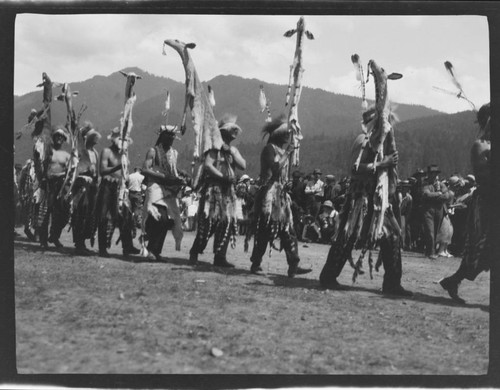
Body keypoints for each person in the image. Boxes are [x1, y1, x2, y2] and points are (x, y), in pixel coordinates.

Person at [319, 108, 412, 296]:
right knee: (348, 236)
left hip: (378, 200)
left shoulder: (381, 142)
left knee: (392, 235)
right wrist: (382, 163)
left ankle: (393, 283)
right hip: (360, 198)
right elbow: (354, 169)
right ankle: (328, 276)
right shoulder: (363, 140)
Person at [439, 103, 492, 304]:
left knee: (486, 251)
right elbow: (484, 177)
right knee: (480, 250)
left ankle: (453, 280)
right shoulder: (480, 145)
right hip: (486, 204)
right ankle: (454, 280)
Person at [249, 114, 312, 277]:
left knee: (288, 229)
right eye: (286, 133)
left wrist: (287, 183)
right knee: (265, 229)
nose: (288, 136)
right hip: (268, 196)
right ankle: (256, 262)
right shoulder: (269, 149)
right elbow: (275, 169)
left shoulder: (281, 150)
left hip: (282, 196)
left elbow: (281, 174)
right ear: (279, 135)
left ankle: (293, 264)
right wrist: (287, 154)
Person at [189, 114, 246, 268]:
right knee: (209, 222)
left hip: (228, 192)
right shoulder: (214, 148)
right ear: (224, 132)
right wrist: (223, 177)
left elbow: (243, 165)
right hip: (214, 190)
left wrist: (231, 153)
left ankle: (220, 257)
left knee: (226, 222)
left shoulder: (233, 150)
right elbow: (208, 165)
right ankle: (195, 251)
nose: (234, 133)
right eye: (231, 130)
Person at [141, 125, 185, 261]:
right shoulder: (153, 151)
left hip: (169, 189)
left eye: (173, 137)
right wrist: (162, 177)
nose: (171, 139)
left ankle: (155, 250)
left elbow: (172, 168)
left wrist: (181, 173)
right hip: (155, 187)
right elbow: (145, 169)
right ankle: (151, 249)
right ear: (162, 136)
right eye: (169, 136)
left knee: (168, 221)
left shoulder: (173, 153)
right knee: (160, 217)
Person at [95, 127, 140, 258]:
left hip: (120, 188)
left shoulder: (123, 155)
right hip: (106, 187)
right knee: (103, 217)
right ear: (114, 138)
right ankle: (102, 248)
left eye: (125, 139)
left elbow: (124, 173)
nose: (122, 141)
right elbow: (102, 170)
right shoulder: (106, 151)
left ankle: (127, 247)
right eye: (120, 138)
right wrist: (119, 166)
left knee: (125, 217)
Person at [71, 122, 101, 255]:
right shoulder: (80, 153)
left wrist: (97, 181)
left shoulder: (95, 153)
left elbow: (98, 172)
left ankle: (82, 239)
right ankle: (79, 242)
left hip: (92, 188)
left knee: (90, 215)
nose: (96, 139)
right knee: (80, 214)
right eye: (93, 137)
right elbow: (74, 169)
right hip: (81, 186)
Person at [38, 127, 71, 249]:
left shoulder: (67, 155)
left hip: (61, 186)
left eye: (61, 137)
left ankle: (54, 236)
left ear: (63, 140)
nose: (59, 138)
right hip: (49, 184)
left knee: (64, 214)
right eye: (57, 136)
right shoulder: (48, 151)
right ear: (54, 137)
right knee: (46, 213)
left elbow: (69, 172)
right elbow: (43, 167)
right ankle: (43, 240)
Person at [420, 165, 452, 259]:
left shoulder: (441, 184)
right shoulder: (425, 184)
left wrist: (435, 195)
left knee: (435, 231)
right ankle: (431, 252)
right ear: (429, 174)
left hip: (439, 210)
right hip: (428, 210)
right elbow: (426, 195)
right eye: (431, 174)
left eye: (435, 174)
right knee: (430, 231)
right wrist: (438, 194)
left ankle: (429, 250)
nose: (433, 176)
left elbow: (447, 196)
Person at [128, 167, 145, 235]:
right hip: (138, 194)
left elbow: (127, 185)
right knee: (137, 210)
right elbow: (143, 187)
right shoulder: (142, 177)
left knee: (130, 210)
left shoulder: (130, 176)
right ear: (140, 171)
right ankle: (134, 224)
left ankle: (131, 225)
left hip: (130, 193)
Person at [399, 180, 413, 251]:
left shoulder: (409, 197)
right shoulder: (398, 195)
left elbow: (408, 209)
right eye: (404, 187)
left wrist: (406, 218)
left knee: (403, 230)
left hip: (402, 215)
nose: (406, 189)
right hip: (395, 214)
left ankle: (402, 245)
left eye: (407, 188)